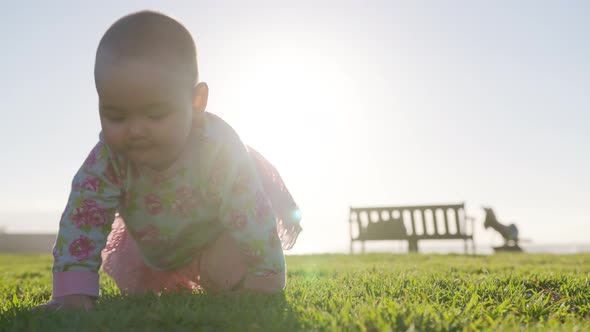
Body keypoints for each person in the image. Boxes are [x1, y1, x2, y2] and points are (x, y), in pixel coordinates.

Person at [37, 10, 302, 311]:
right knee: (144, 296)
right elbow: (82, 220)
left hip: (216, 239)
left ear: (196, 102)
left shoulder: (217, 148)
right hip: (150, 252)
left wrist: (267, 277)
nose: (136, 129)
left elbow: (250, 212)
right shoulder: (108, 159)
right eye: (116, 115)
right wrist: (72, 294)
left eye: (156, 114)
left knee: (232, 275)